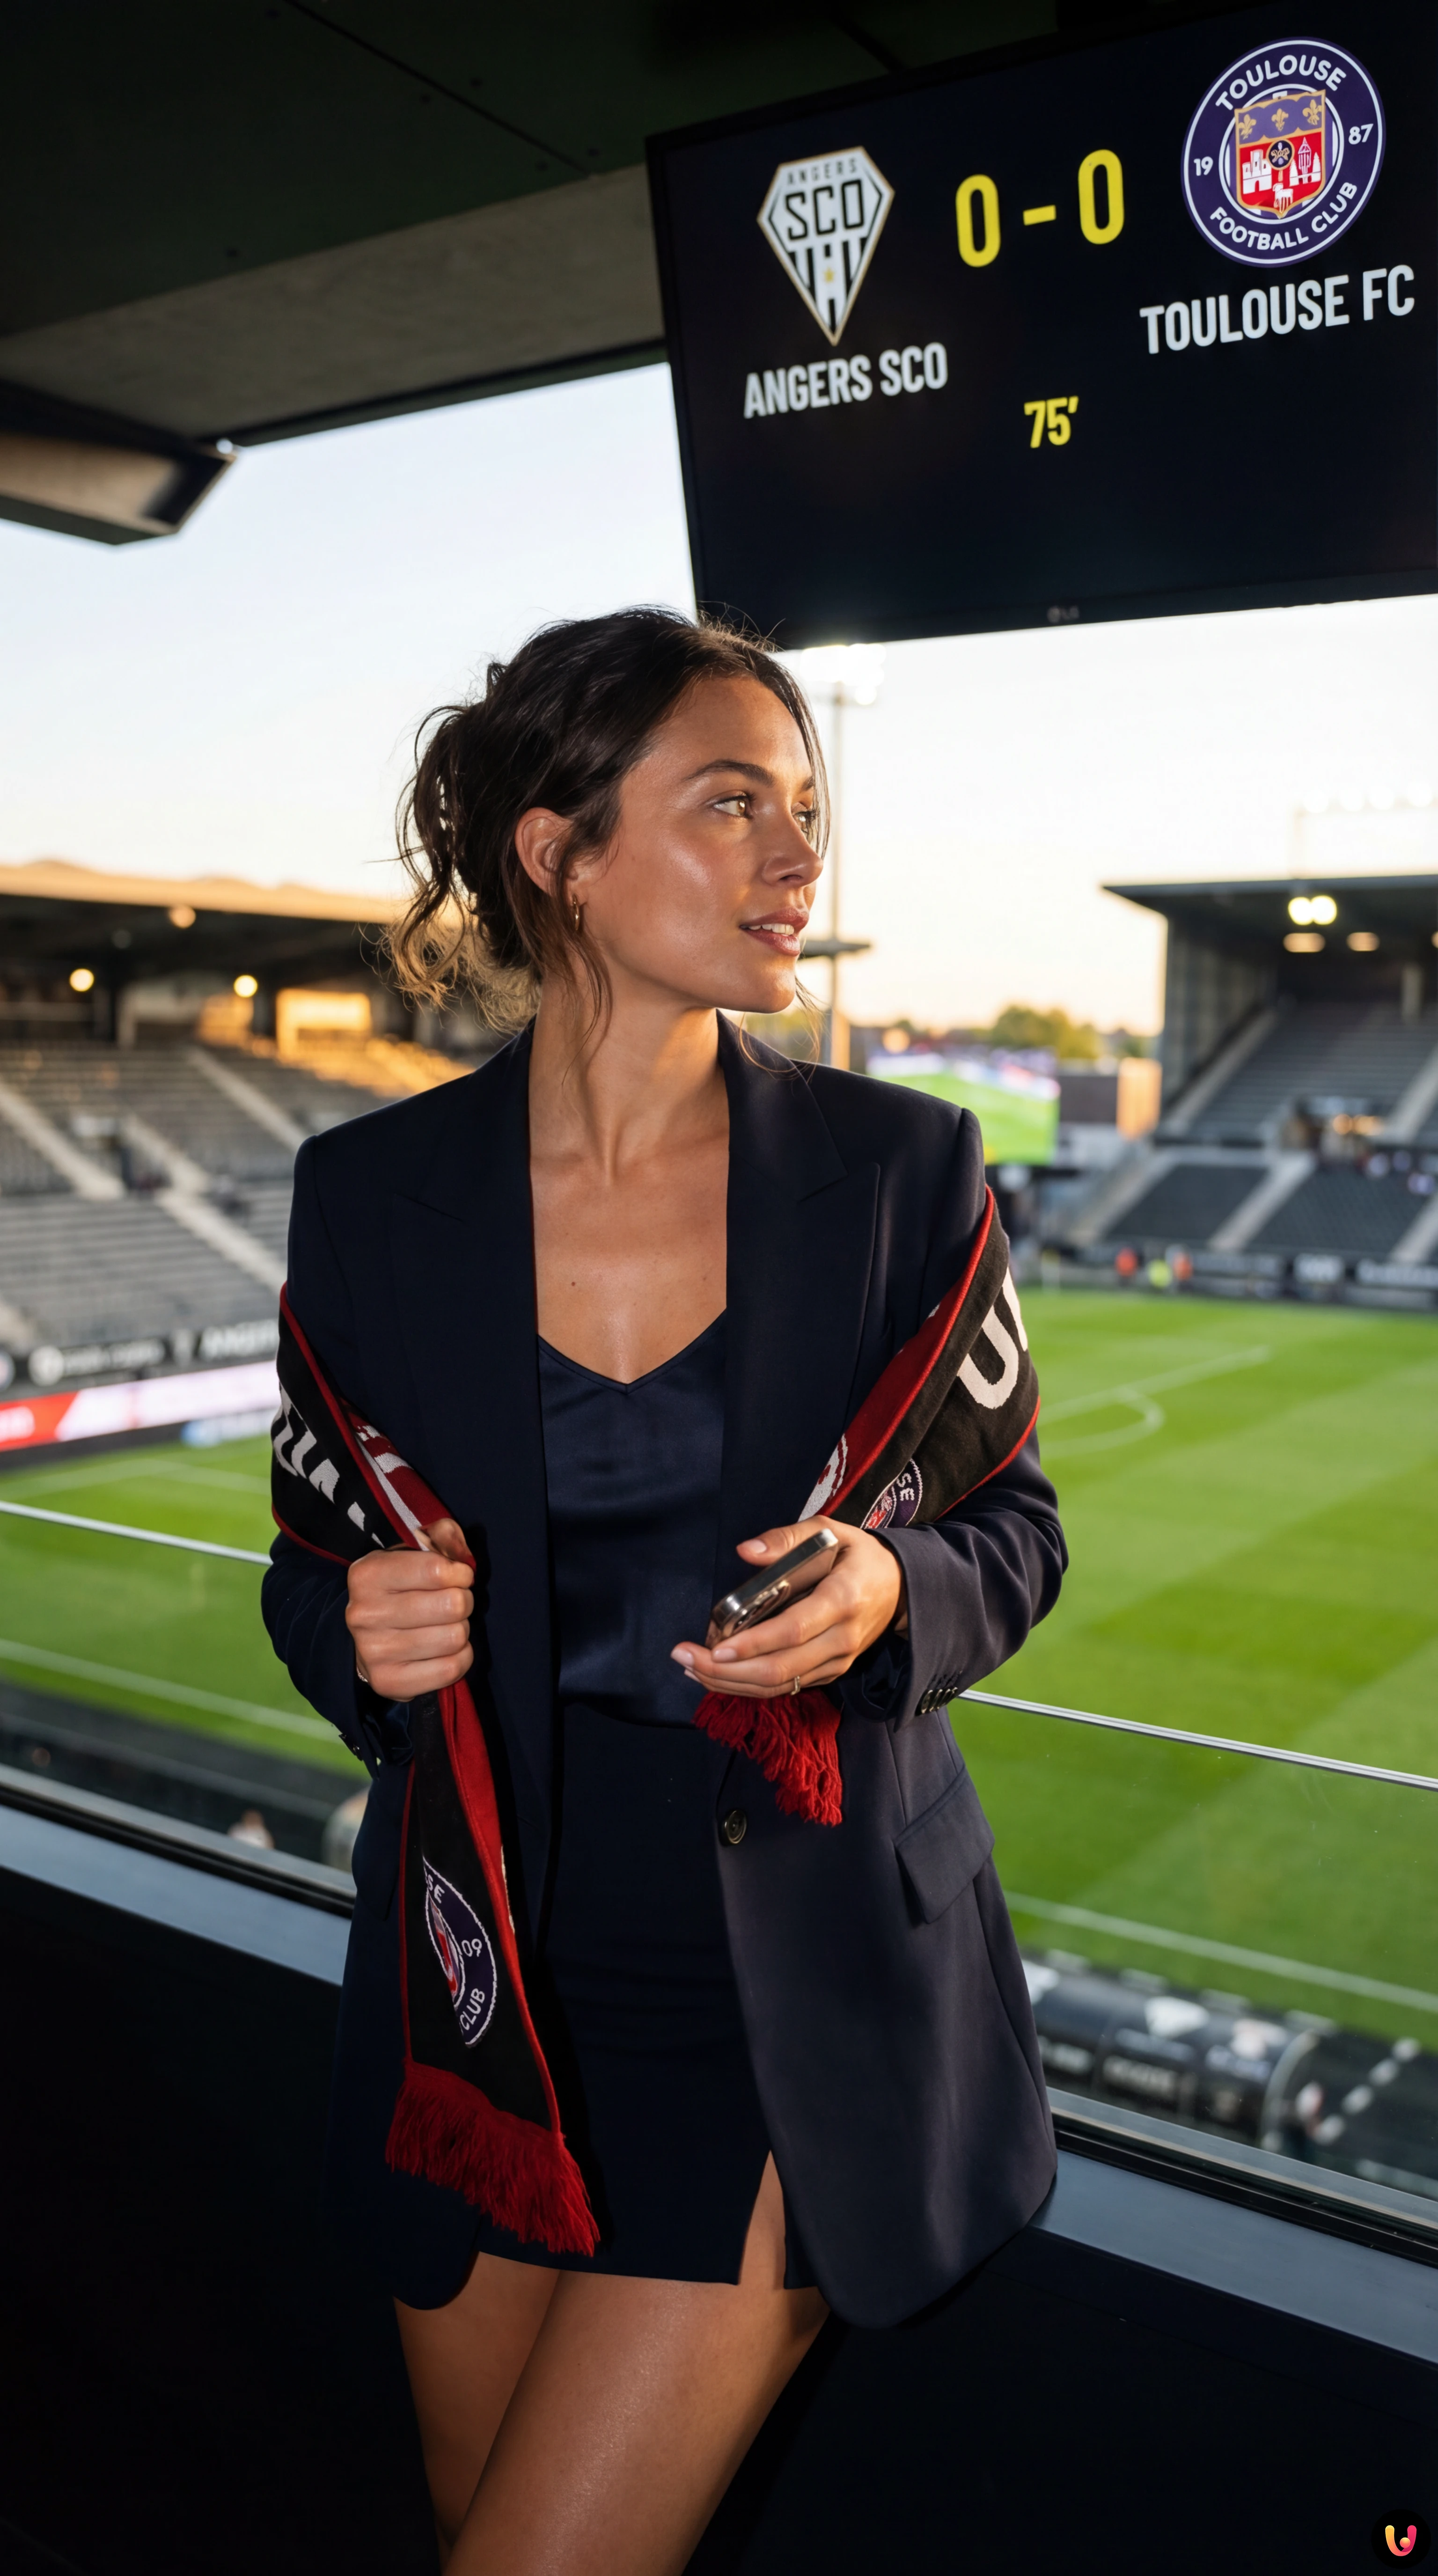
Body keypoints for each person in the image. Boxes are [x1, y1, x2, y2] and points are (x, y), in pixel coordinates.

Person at [262, 608, 1065, 2575]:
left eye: (805, 809)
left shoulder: (904, 1169)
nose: (805, 859)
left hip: (779, 2006)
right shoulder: (369, 1197)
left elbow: (1016, 1526)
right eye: (734, 806)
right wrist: (357, 1632)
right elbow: (315, 1570)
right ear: (559, 851)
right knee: (479, 2521)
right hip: (486, 1992)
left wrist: (894, 1583)